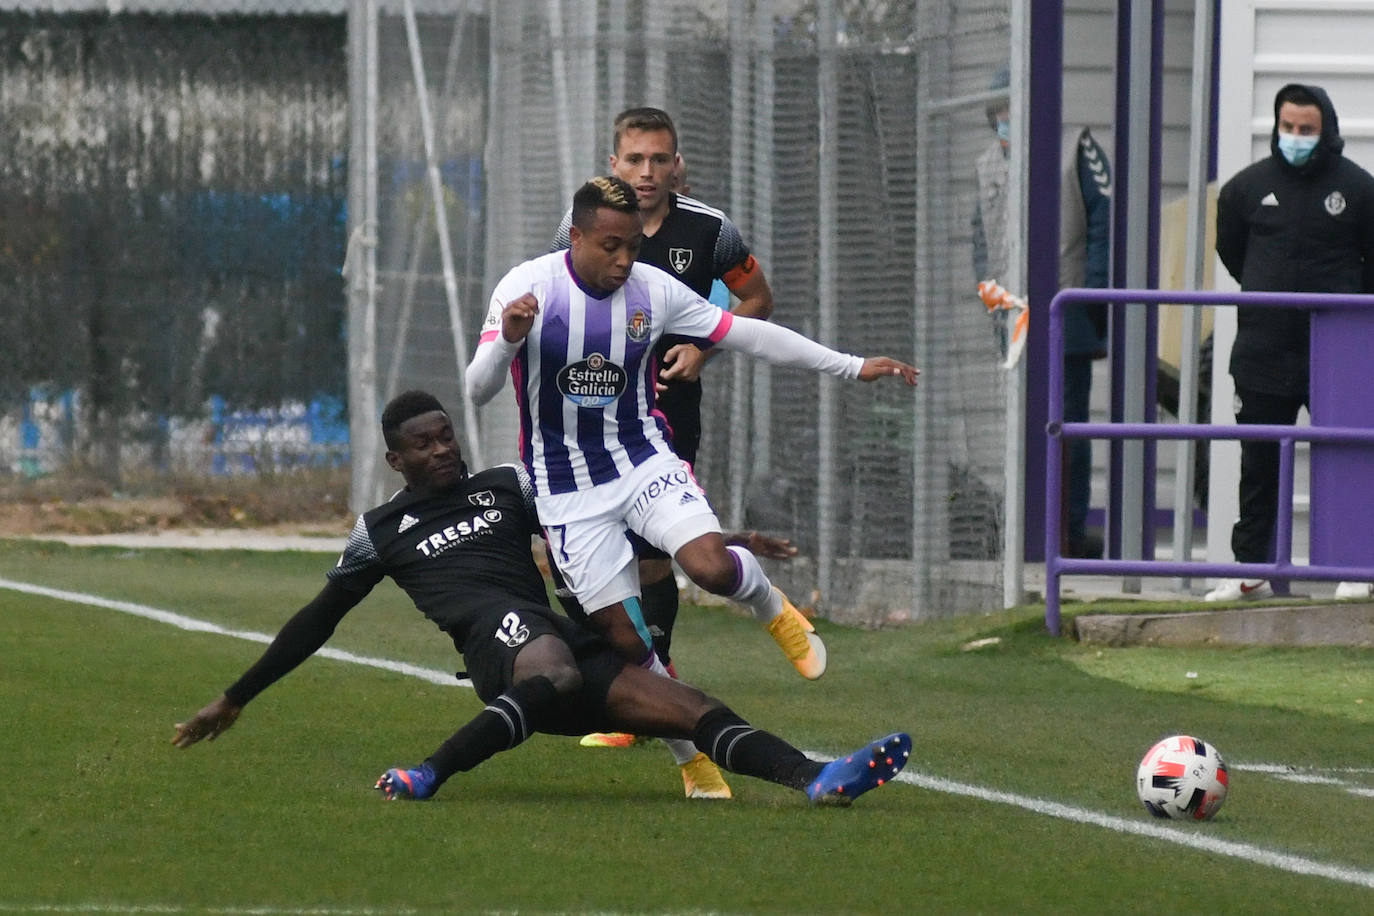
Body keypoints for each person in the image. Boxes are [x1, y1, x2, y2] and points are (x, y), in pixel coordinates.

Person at [170, 390, 911, 807]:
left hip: (559, 642)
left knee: (691, 707)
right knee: (546, 659)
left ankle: (815, 779)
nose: (442, 449)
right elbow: (317, 620)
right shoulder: (379, 531)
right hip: (499, 651)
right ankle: (429, 772)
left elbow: (611, 521)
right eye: (424, 445)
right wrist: (235, 698)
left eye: (446, 436)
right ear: (397, 459)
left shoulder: (508, 485)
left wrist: (727, 537)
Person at [466, 175, 918, 785]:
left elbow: (748, 333)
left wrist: (850, 366)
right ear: (575, 238)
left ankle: (767, 602)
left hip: (641, 460)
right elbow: (478, 388)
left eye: (632, 246)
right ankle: (692, 759)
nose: (624, 260)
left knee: (710, 568)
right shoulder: (527, 288)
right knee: (628, 645)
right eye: (610, 246)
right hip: (566, 487)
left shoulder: (653, 289)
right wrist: (508, 342)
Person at [550, 108, 773, 683]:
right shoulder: (579, 225)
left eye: (658, 159)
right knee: (571, 559)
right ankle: (630, 669)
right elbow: (559, 302)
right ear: (614, 164)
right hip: (588, 415)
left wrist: (702, 348)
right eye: (634, 159)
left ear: (677, 164)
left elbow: (757, 300)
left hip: (666, 416)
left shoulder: (709, 230)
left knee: (650, 559)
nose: (646, 172)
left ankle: (653, 679)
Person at [1206, 83, 1374, 602]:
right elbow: (1232, 252)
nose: (1296, 137)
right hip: (1263, 349)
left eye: (1307, 129)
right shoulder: (1245, 189)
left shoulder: (1360, 190)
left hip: (1338, 353)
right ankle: (1250, 571)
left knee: (1347, 460)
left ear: (1327, 130)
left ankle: (1355, 569)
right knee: (1258, 464)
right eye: (1288, 127)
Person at [972, 67, 1112, 560]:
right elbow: (980, 242)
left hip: (1065, 311)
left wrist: (1092, 299)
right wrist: (993, 303)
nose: (1007, 118)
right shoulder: (987, 164)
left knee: (1066, 423)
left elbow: (1103, 227)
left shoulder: (1076, 148)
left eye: (1015, 107)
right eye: (1000, 110)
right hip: (1012, 317)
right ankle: (1023, 532)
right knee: (1019, 424)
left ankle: (1067, 531)